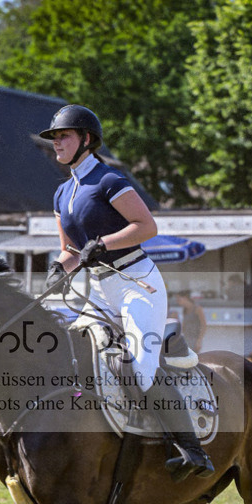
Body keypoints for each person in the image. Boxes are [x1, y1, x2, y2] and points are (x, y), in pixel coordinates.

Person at [41, 104, 213, 480]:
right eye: (54, 138)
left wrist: (102, 243)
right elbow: (71, 252)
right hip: (101, 289)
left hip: (138, 283)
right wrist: (58, 268)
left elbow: (146, 226)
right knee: (68, 352)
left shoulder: (108, 180)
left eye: (64, 136)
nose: (57, 143)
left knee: (141, 369)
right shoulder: (61, 193)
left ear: (86, 140)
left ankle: (193, 450)